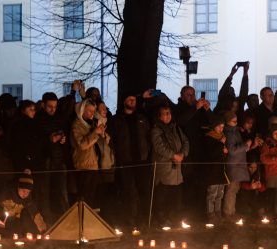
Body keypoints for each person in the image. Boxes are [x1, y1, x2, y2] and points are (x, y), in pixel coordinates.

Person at [111, 93, 151, 228]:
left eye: (134, 99)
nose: (132, 101)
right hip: (126, 161)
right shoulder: (117, 120)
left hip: (141, 160)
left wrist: (147, 154)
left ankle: (143, 219)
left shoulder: (142, 118)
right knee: (129, 192)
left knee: (143, 190)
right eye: (129, 99)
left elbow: (147, 136)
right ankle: (130, 219)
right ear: (124, 101)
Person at [175, 85, 212, 219]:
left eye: (193, 94)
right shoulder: (179, 108)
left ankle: (200, 213)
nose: (192, 97)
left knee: (201, 183)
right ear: (182, 96)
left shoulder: (200, 109)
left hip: (201, 151)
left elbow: (211, 123)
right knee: (189, 184)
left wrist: (207, 110)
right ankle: (188, 214)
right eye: (188, 94)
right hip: (187, 152)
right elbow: (181, 121)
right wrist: (194, 108)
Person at [151, 105, 189, 226]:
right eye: (164, 113)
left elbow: (185, 141)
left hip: (177, 170)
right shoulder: (156, 130)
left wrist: (183, 153)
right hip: (165, 169)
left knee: (176, 197)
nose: (167, 116)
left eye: (169, 113)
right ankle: (162, 220)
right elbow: (160, 147)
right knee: (163, 196)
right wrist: (174, 155)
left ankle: (175, 219)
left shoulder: (176, 128)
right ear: (159, 116)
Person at [35, 92, 69, 223]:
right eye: (50, 106)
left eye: (55, 106)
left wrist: (62, 139)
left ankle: (65, 219)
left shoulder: (59, 118)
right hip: (44, 161)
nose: (53, 109)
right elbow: (36, 141)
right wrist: (50, 139)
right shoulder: (37, 119)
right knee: (44, 193)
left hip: (58, 159)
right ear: (43, 105)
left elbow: (62, 132)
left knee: (61, 191)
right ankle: (45, 220)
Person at [0, 169, 46, 236]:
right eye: (23, 191)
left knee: (17, 235)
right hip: (0, 217)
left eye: (28, 192)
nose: (25, 194)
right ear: (18, 188)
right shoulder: (7, 193)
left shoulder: (27, 199)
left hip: (14, 220)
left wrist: (43, 230)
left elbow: (35, 213)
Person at [223, 111, 259, 219]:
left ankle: (231, 211)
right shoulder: (229, 133)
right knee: (231, 189)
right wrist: (245, 145)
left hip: (238, 164)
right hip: (234, 165)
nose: (236, 123)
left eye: (236, 120)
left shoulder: (235, 132)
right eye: (233, 121)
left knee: (235, 189)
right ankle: (228, 212)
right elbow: (232, 150)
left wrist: (248, 146)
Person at [70, 99, 102, 207]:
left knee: (92, 197)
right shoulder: (77, 125)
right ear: (82, 111)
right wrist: (95, 133)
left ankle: (90, 220)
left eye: (94, 111)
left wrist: (103, 134)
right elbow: (82, 145)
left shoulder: (91, 124)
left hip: (93, 165)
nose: (92, 114)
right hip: (83, 166)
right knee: (84, 197)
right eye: (89, 111)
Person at [203, 114, 229, 221]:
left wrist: (225, 151)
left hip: (220, 170)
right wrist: (221, 145)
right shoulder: (209, 137)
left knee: (220, 193)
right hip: (212, 171)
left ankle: (218, 213)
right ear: (214, 126)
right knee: (212, 194)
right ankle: (210, 214)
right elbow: (211, 153)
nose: (221, 129)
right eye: (219, 126)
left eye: (222, 127)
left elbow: (221, 153)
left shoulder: (221, 137)